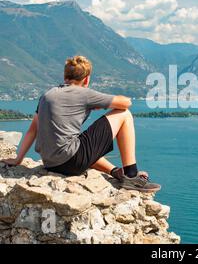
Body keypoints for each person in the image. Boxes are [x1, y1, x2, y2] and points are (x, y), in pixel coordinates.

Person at [3, 55, 160, 192]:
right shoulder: (84, 93)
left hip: (50, 163)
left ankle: (115, 172)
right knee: (124, 115)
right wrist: (101, 103)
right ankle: (131, 176)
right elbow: (126, 103)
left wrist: (18, 159)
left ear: (65, 76)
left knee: (80, 142)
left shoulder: (46, 95)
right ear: (86, 79)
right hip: (71, 163)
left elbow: (32, 130)